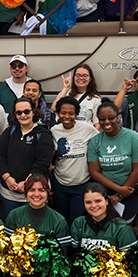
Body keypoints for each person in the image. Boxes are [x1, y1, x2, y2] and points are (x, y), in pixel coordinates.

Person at [2, 174, 69, 277]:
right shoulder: (15, 215)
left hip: (45, 270)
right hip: (22, 267)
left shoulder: (58, 220)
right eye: (32, 190)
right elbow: (6, 245)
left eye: (41, 190)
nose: (36, 194)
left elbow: (64, 252)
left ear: (48, 193)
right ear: (26, 193)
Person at [87, 101, 138, 221]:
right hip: (105, 191)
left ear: (118, 118)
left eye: (111, 118)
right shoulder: (95, 141)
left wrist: (120, 194)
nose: (106, 122)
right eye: (102, 119)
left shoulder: (133, 138)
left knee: (124, 224)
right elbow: (95, 172)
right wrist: (118, 190)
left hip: (130, 189)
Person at [0, 97, 54, 214]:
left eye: (27, 111)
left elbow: (42, 163)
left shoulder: (43, 134)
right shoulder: (9, 132)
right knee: (12, 224)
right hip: (9, 191)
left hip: (34, 192)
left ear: (33, 112)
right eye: (19, 112)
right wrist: (7, 178)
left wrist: (27, 183)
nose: (23, 115)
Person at [50, 96, 98, 225]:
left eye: (71, 113)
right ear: (58, 114)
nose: (67, 116)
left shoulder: (87, 129)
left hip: (82, 184)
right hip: (60, 184)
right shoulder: (54, 131)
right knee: (61, 220)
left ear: (76, 114)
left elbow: (101, 141)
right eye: (63, 113)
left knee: (77, 220)